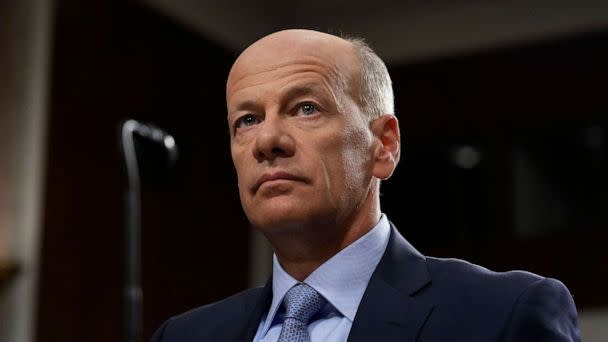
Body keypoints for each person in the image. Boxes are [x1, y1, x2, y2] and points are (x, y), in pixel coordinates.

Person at [151, 29, 580, 341]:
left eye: (305, 108)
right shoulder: (183, 336)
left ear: (384, 146)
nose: (267, 141)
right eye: (247, 120)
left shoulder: (502, 315)